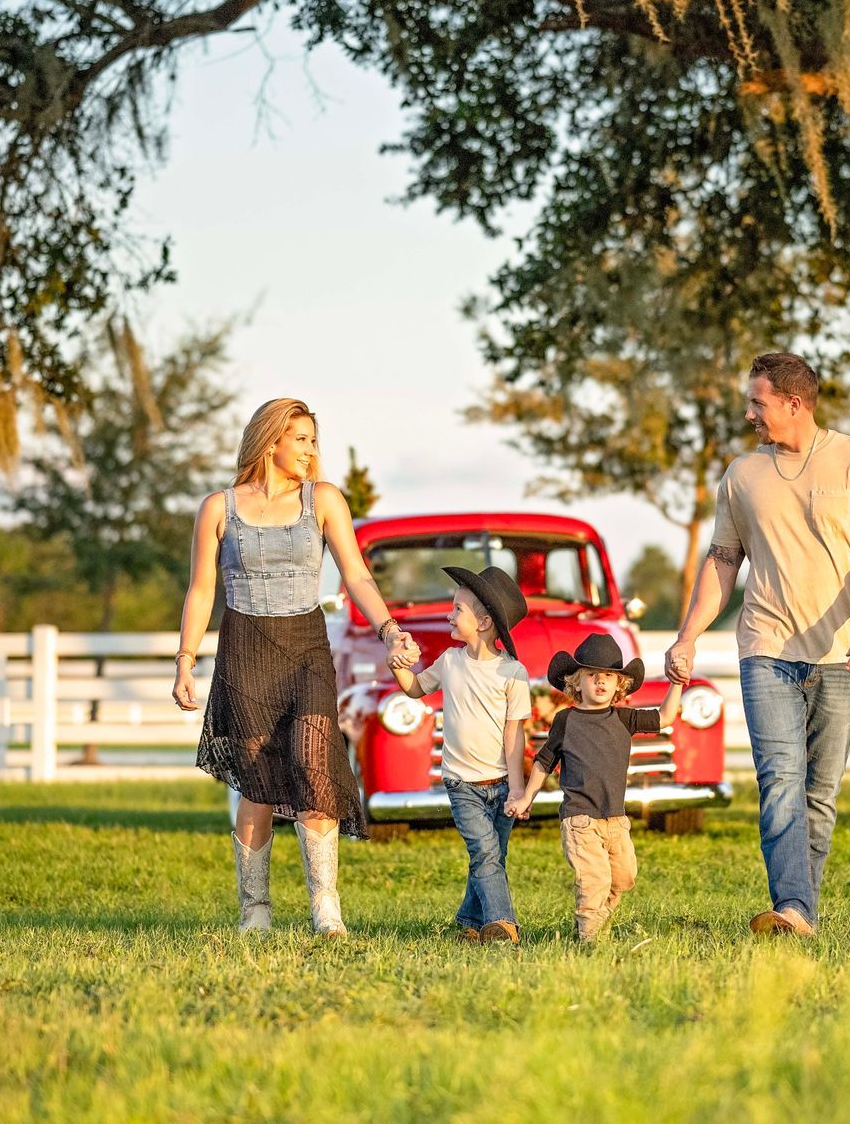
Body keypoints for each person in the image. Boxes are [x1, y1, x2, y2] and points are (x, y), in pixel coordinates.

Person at [665, 353, 850, 938]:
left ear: (794, 403)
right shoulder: (741, 476)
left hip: (845, 651)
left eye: (758, 402)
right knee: (780, 781)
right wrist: (688, 636)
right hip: (766, 647)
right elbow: (723, 562)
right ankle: (793, 908)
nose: (749, 413)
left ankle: (802, 909)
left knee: (819, 794)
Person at [171, 398, 419, 935]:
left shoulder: (324, 500)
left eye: (313, 440)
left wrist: (390, 629)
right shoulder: (219, 508)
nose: (310, 451)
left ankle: (325, 905)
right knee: (257, 782)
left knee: (314, 768)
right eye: (301, 439)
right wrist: (185, 661)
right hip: (245, 648)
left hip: (305, 646)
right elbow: (201, 589)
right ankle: (254, 910)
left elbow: (355, 575)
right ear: (271, 441)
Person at [508, 633, 682, 942]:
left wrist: (678, 683)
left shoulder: (625, 718)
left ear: (620, 684)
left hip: (616, 819)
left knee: (624, 877)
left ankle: (599, 920)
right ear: (576, 682)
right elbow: (543, 762)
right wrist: (525, 798)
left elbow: (666, 717)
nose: (600, 682)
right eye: (591, 675)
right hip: (580, 820)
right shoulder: (566, 720)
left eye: (608, 676)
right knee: (595, 879)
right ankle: (590, 939)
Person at [392, 565, 531, 944]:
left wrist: (517, 791)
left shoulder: (514, 673)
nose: (449, 615)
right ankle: (502, 924)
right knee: (485, 853)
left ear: (484, 622)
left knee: (491, 859)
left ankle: (470, 920)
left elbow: (514, 734)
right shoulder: (450, 662)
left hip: (501, 785)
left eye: (458, 610)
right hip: (461, 783)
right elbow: (417, 688)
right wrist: (398, 667)